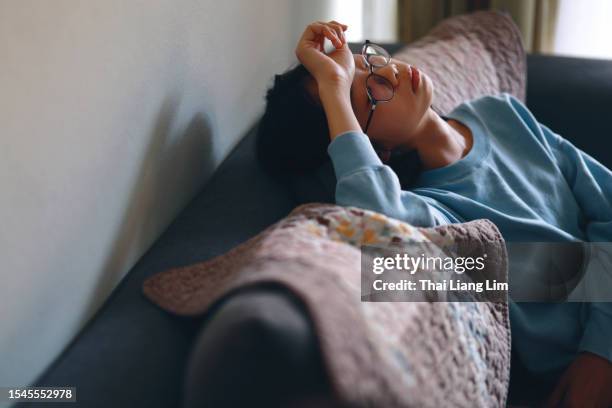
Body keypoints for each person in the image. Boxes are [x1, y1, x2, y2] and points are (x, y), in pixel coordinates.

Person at [256, 20, 612, 407]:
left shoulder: (501, 112)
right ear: (375, 148)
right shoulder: (439, 216)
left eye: (368, 62)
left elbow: (606, 207)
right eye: (368, 92)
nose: (391, 71)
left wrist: (601, 350)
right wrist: (333, 89)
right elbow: (377, 231)